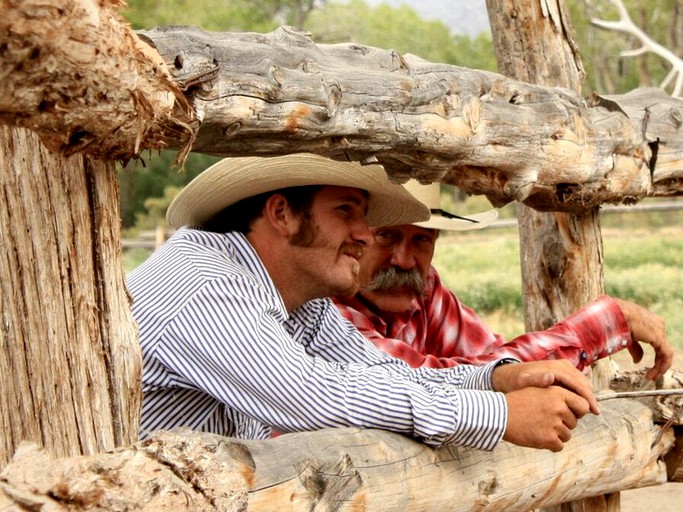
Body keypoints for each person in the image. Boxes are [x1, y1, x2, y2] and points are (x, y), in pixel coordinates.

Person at [127, 153, 600, 454]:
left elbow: (381, 374)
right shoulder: (205, 285)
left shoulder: (297, 296)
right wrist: (498, 415)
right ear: (281, 214)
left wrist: (497, 377)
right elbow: (315, 398)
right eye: (346, 211)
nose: (362, 234)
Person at [333, 180, 673, 380]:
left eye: (422, 239)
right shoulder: (326, 308)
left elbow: (493, 359)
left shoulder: (424, 290)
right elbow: (422, 382)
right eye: (387, 237)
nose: (405, 260)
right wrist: (597, 327)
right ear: (356, 237)